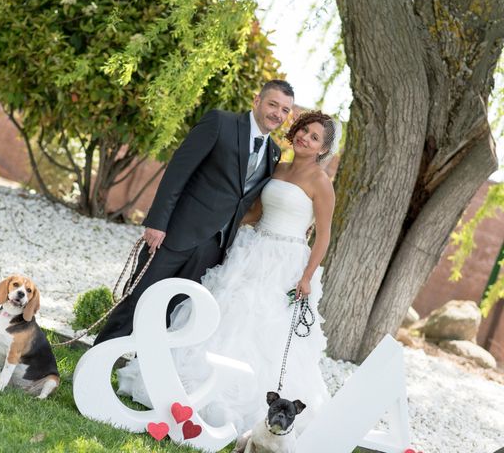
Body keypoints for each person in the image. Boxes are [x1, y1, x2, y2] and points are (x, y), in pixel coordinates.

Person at [117, 110, 339, 436]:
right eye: (304, 130)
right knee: (223, 311)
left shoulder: (321, 182)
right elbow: (254, 212)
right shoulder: (278, 167)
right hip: (252, 249)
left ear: (322, 148)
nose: (305, 138)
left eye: (315, 137)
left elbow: (324, 234)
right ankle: (184, 390)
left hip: (285, 262)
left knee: (260, 326)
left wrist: (306, 276)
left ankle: (249, 408)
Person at [94, 80, 295, 345]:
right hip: (175, 233)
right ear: (257, 100)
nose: (277, 114)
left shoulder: (273, 153)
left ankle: (136, 375)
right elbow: (178, 171)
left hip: (214, 248)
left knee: (172, 313)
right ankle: (94, 363)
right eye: (272, 104)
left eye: (284, 110)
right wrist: (157, 223)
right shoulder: (220, 123)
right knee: (139, 300)